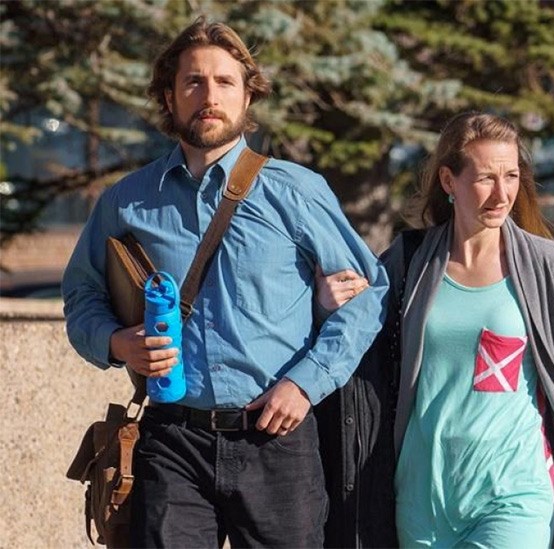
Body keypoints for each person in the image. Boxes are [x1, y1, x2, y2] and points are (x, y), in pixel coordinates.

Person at [62, 17, 388, 548]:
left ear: (247, 96)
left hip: (276, 439)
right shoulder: (127, 201)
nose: (208, 95)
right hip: (171, 440)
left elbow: (370, 294)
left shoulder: (296, 191)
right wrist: (115, 342)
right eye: (193, 82)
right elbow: (81, 295)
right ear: (169, 97)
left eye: (224, 82)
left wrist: (306, 383)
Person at [316, 112, 554, 548]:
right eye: (486, 178)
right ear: (449, 181)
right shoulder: (409, 261)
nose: (502, 193)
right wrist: (326, 307)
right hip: (421, 496)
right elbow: (356, 349)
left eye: (511, 176)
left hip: (512, 492)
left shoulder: (545, 266)